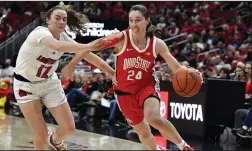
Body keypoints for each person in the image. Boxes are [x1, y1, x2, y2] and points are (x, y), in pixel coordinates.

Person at [64, 5, 200, 150]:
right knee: (143, 133)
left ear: (147, 21)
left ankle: (183, 146)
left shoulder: (157, 44)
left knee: (153, 118)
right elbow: (89, 47)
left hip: (146, 87)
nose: (134, 24)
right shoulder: (119, 39)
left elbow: (177, 68)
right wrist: (72, 64)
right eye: (131, 20)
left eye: (138, 20)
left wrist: (189, 73)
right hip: (124, 92)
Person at [13, 3, 115, 150]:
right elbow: (57, 46)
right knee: (40, 135)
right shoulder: (39, 32)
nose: (61, 22)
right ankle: (46, 138)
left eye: (64, 19)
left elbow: (90, 56)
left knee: (69, 129)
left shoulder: (64, 37)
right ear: (48, 20)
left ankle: (54, 139)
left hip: (49, 82)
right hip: (26, 85)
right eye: (57, 18)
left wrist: (112, 73)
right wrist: (88, 45)